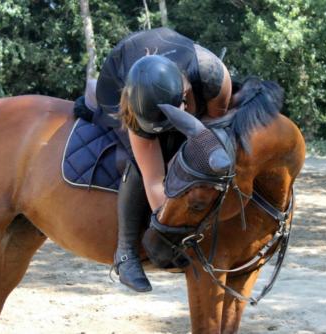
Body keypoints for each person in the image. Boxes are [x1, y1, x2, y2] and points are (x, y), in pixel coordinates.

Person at [84, 27, 232, 292]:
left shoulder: (214, 78)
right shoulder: (130, 103)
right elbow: (154, 180)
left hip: (177, 64)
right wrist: (169, 231)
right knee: (139, 160)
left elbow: (213, 132)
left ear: (184, 98)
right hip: (120, 71)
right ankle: (126, 252)